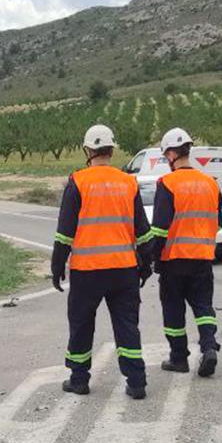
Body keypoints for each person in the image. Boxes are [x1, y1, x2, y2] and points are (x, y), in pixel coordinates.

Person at [51, 125, 152, 399]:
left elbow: (64, 232)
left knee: (82, 324)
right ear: (111, 149)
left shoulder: (79, 181)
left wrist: (57, 266)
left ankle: (79, 379)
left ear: (88, 150)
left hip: (87, 273)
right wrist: (146, 263)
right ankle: (137, 381)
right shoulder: (128, 182)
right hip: (124, 269)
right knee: (127, 325)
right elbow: (143, 230)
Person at [148, 127, 222, 377]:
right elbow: (218, 221)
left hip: (174, 260)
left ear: (171, 154)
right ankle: (209, 347)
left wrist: (152, 259)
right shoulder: (210, 184)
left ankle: (178, 358)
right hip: (202, 259)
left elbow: (159, 229)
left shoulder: (167, 183)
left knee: (173, 310)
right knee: (203, 307)